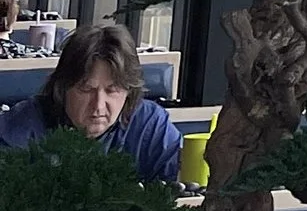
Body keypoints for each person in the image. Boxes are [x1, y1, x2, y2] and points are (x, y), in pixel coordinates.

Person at [0, 21, 182, 179]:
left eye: (112, 90)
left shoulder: (151, 126)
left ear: (129, 91)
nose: (98, 106)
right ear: (62, 88)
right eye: (87, 89)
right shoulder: (20, 127)